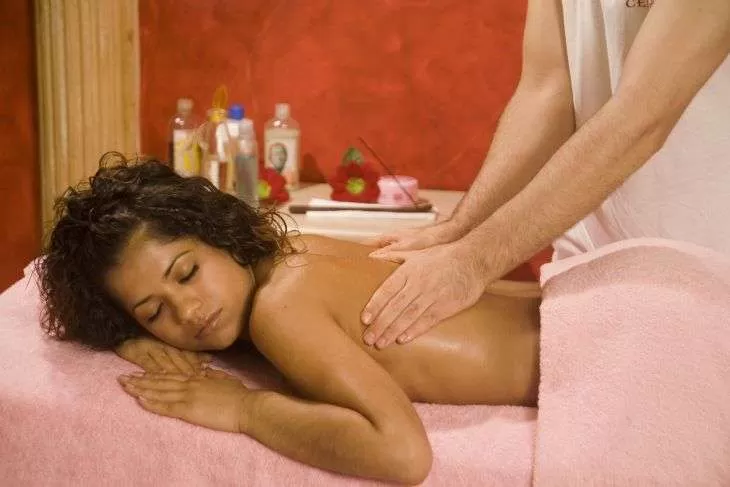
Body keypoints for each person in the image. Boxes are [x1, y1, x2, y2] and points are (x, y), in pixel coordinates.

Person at [38, 154, 541, 484]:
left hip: (575, 350)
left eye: (187, 273)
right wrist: (126, 338)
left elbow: (403, 454)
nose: (188, 312)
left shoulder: (280, 310)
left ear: (217, 235)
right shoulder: (293, 251)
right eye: (154, 312)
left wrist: (245, 409)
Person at [361, 0, 730, 349]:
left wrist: (473, 261)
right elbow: (548, 90)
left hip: (702, 279)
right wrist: (458, 231)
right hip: (587, 268)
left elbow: (642, 116)